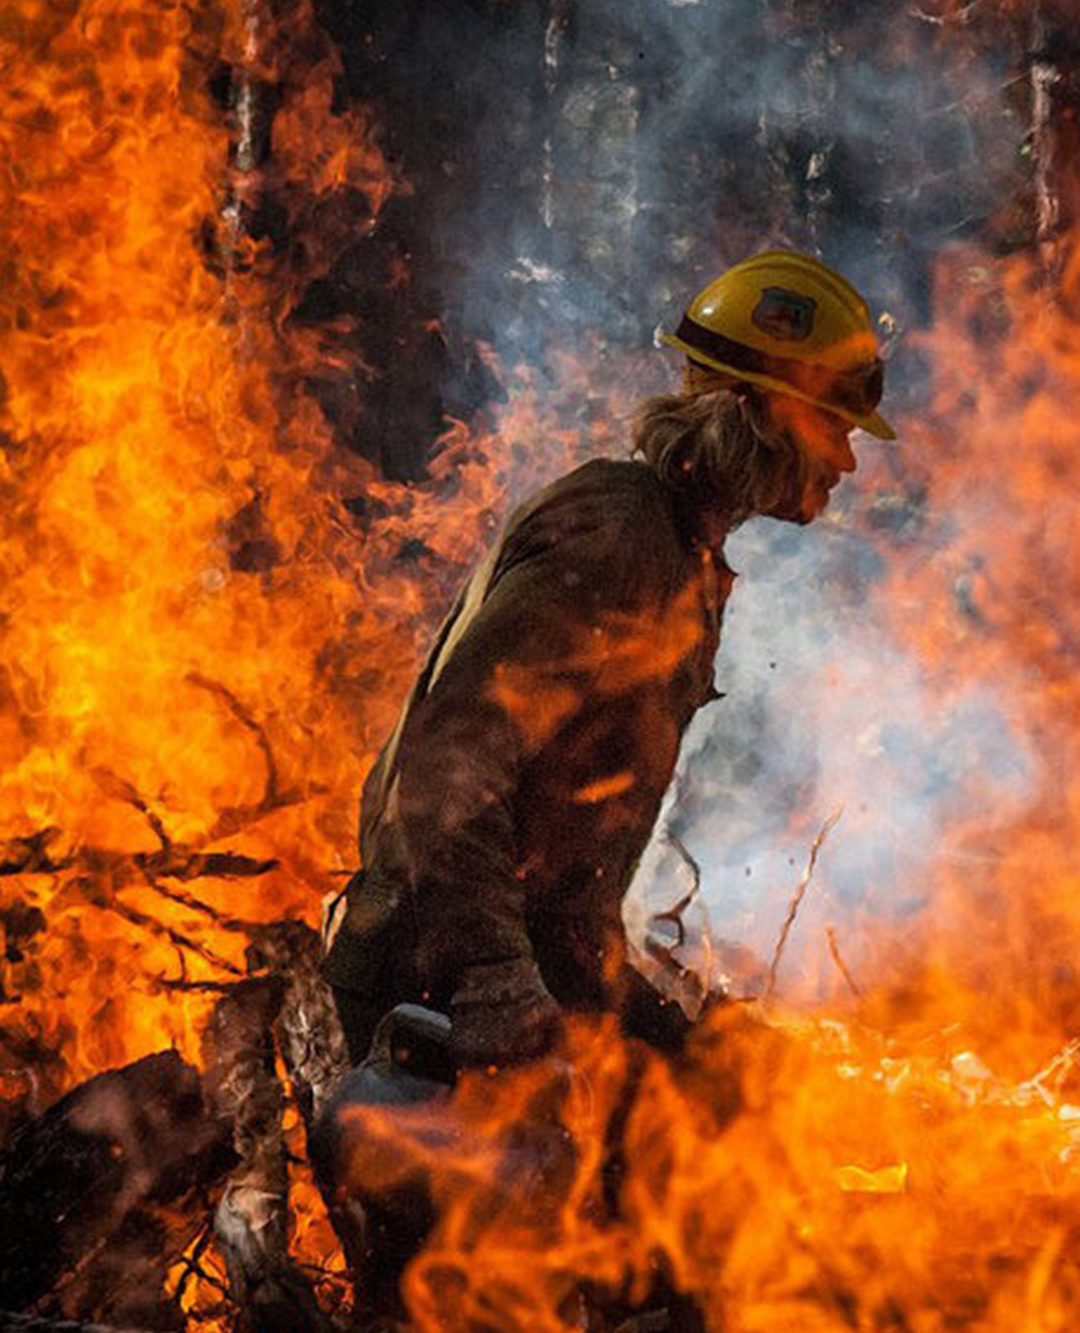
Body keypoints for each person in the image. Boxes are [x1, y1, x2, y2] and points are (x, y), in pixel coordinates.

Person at [312, 250, 894, 1313]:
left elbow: (561, 849)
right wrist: (496, 994)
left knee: (691, 1210)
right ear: (766, 414)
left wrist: (652, 1025)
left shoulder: (676, 548)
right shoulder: (618, 536)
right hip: (435, 986)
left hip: (507, 974)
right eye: (835, 430)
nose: (849, 465)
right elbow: (446, 777)